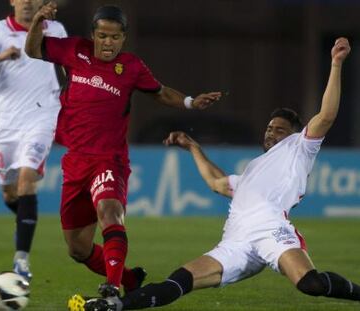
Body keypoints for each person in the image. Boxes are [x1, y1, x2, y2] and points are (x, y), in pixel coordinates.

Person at [80, 37, 360, 311]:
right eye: (269, 127)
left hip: (271, 231)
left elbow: (326, 116)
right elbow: (217, 182)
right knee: (180, 279)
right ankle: (114, 305)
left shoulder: (300, 148)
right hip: (235, 241)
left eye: (279, 129)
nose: (271, 132)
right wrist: (193, 147)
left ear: (294, 135)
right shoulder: (253, 169)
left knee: (310, 283)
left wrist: (335, 64)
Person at [24, 1, 223, 304]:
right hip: (76, 161)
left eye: (114, 37)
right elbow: (33, 50)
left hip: (109, 159)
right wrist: (37, 21)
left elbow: (161, 92)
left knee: (110, 211)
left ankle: (112, 286)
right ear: (93, 35)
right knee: (77, 248)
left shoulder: (130, 66)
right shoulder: (74, 50)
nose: (108, 43)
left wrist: (190, 102)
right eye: (102, 36)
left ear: (123, 38)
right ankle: (131, 279)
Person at [0, 0, 67, 280]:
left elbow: (69, 66)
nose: (29, 3)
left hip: (42, 116)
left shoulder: (55, 28)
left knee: (26, 179)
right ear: (13, 0)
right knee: (10, 193)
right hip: (5, 124)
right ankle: (24, 220)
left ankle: (21, 261)